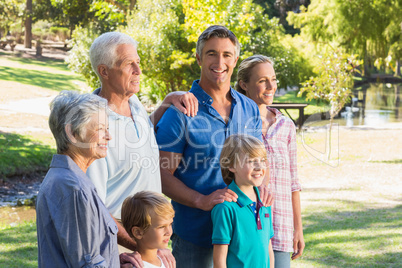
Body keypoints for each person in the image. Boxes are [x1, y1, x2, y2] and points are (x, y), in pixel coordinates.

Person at [155, 25, 272, 268]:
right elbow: (162, 174)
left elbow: (259, 159)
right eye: (211, 53)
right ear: (198, 57)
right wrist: (201, 200)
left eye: (227, 55)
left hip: (244, 237)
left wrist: (263, 191)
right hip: (196, 238)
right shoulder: (181, 112)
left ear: (236, 59)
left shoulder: (249, 108)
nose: (220, 61)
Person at [86, 31, 196, 266]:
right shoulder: (93, 125)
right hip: (122, 249)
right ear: (104, 71)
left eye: (138, 62)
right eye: (129, 64)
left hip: (149, 245)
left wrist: (167, 102)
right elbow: (93, 206)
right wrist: (142, 246)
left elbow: (139, 134)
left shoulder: (133, 103)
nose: (138, 70)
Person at [236, 55, 305, 267]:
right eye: (262, 80)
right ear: (244, 84)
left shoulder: (286, 126)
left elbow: (293, 181)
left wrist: (298, 228)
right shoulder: (237, 124)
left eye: (273, 79)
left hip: (281, 226)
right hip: (248, 227)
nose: (270, 86)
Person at [36, 91, 119, 267]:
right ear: (72, 132)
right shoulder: (72, 188)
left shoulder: (70, 179)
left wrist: (116, 261)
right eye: (100, 129)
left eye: (108, 129)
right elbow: (87, 264)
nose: (108, 136)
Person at [212, 134, 274, 268]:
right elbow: (219, 261)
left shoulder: (264, 202)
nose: (259, 167)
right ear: (231, 165)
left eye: (262, 160)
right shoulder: (225, 208)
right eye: (251, 161)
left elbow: (268, 247)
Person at [121, 191, 175, 268]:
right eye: (161, 227)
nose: (169, 232)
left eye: (170, 224)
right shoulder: (137, 266)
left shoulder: (165, 261)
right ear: (138, 232)